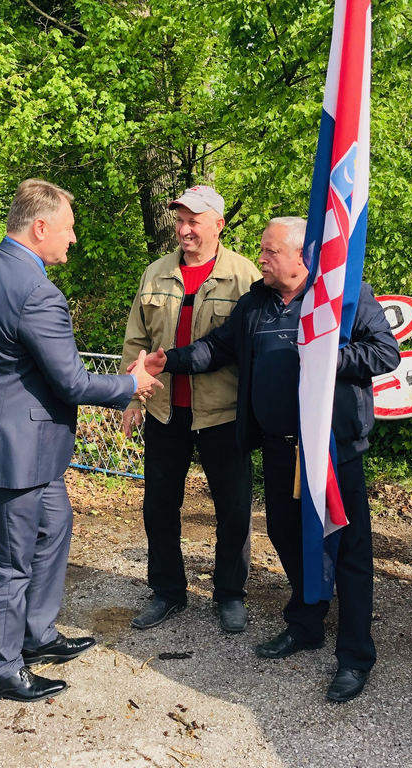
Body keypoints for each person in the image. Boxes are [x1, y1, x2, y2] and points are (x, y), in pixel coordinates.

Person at [132, 217, 400, 702]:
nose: (262, 258)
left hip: (332, 451)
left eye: (271, 251)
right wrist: (168, 360)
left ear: (302, 255)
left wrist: (329, 358)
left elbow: (385, 354)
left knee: (348, 551)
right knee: (285, 534)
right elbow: (218, 348)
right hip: (279, 446)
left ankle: (355, 655)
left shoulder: (343, 296)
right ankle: (306, 623)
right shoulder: (256, 302)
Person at [0, 179, 162, 703]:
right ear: (40, 227)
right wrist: (131, 384)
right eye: (68, 229)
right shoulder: (36, 291)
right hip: (14, 450)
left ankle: (36, 634)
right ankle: (1, 670)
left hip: (26, 443)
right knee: (9, 562)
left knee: (55, 525)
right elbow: (71, 382)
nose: (73, 239)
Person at [120, 185, 262, 633]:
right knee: (160, 505)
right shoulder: (156, 273)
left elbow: (255, 348)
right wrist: (132, 396)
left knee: (233, 509)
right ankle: (167, 592)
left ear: (218, 225)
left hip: (223, 412)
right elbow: (136, 341)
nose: (184, 230)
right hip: (165, 410)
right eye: (180, 221)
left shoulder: (245, 276)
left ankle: (230, 594)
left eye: (193, 221)